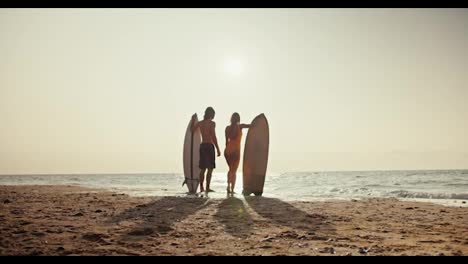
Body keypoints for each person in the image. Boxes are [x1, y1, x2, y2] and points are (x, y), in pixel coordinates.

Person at [191, 107, 221, 192]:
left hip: (202, 146)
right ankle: (207, 188)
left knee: (203, 168)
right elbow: (213, 136)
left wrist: (193, 121)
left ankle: (201, 187)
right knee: (210, 169)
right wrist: (218, 148)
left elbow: (192, 130)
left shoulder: (200, 123)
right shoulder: (212, 123)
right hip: (209, 146)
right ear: (211, 114)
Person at [224, 112, 251, 194]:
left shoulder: (227, 128)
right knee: (234, 170)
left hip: (227, 150)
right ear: (238, 119)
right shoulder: (240, 126)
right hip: (235, 151)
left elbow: (226, 142)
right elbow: (250, 125)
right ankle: (232, 189)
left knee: (230, 170)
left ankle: (228, 186)